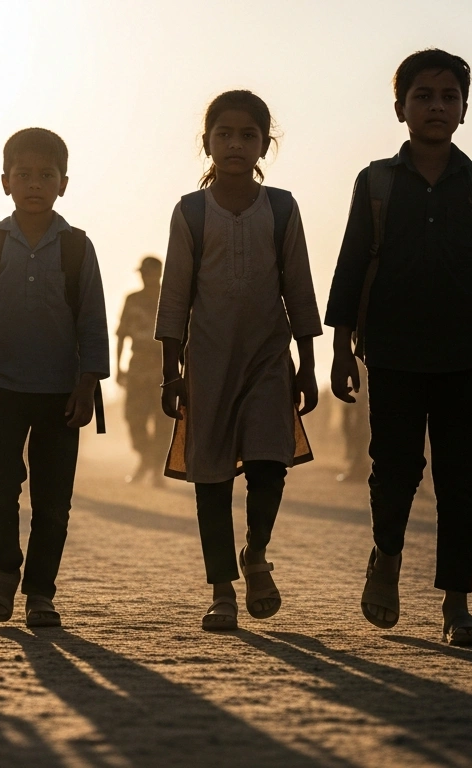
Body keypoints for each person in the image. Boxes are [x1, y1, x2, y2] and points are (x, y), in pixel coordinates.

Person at [324, 50, 472, 646]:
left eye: (448, 96)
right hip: (389, 351)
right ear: (400, 108)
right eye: (423, 96)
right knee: (394, 468)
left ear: (464, 110)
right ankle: (386, 556)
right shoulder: (377, 182)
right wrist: (340, 351)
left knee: (461, 479)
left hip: (464, 352)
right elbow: (350, 265)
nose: (436, 106)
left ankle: (456, 604)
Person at [156, 90, 322, 631]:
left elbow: (298, 287)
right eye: (223, 134)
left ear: (264, 145)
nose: (235, 144)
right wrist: (171, 372)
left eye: (248, 135)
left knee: (271, 461)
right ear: (206, 142)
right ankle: (222, 589)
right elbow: (175, 296)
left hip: (268, 358)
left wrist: (308, 361)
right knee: (212, 477)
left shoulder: (281, 208)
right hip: (207, 361)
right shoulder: (191, 211)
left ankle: (256, 554)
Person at [0, 128, 109, 629]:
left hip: (61, 391)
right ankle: (5, 568)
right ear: (5, 182)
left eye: (46, 175)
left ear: (63, 184)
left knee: (53, 499)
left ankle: (41, 593)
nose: (34, 184)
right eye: (23, 175)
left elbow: (92, 322)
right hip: (2, 385)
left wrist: (87, 384)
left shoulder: (77, 248)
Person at [116, 256, 172, 486]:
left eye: (147, 272)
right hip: (138, 364)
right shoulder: (133, 299)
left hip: (163, 365)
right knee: (133, 417)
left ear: (157, 273)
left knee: (163, 419)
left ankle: (156, 469)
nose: (143, 276)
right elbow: (121, 335)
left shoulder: (172, 299)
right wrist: (117, 367)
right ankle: (146, 458)